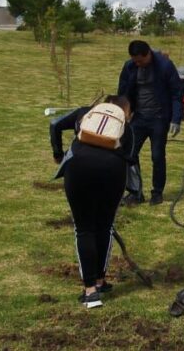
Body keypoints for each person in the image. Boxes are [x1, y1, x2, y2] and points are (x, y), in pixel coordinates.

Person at [49, 95, 136, 309]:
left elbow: (55, 125)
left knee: (84, 228)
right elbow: (130, 158)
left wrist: (58, 154)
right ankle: (100, 280)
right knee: (104, 227)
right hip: (113, 171)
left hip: (78, 167)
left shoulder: (84, 112)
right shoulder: (127, 127)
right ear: (125, 112)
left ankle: (90, 293)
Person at [117, 40, 183, 206]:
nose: (137, 64)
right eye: (135, 61)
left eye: (140, 60)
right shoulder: (130, 67)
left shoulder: (165, 66)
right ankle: (135, 192)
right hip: (138, 118)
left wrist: (176, 119)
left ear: (148, 54)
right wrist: (123, 114)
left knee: (157, 156)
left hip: (159, 118)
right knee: (129, 154)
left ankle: (157, 192)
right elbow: (123, 93)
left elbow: (177, 93)